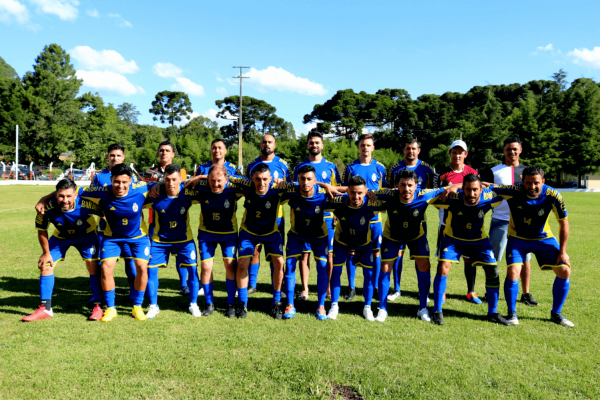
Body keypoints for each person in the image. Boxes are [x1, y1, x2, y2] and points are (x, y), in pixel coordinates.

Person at [489, 166, 573, 327]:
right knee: (513, 272)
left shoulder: (553, 195)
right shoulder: (513, 191)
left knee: (564, 270)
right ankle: (512, 313)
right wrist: (455, 186)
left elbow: (564, 224)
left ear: (543, 181)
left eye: (536, 183)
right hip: (518, 239)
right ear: (522, 182)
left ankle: (556, 313)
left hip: (544, 238)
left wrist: (563, 252)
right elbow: (487, 186)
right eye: (528, 183)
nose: (532, 187)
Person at [431, 174, 512, 326]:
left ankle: (493, 313)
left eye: (475, 190)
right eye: (467, 189)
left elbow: (507, 190)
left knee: (493, 270)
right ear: (463, 189)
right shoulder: (452, 196)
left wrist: (488, 184)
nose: (471, 194)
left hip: (478, 240)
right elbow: (429, 195)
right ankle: (437, 310)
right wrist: (453, 186)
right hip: (453, 238)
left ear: (481, 189)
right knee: (443, 267)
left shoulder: (489, 196)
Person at [78, 164, 155, 321]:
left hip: (138, 237)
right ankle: (111, 308)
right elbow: (72, 191)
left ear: (131, 181)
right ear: (111, 180)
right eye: (117, 182)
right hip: (112, 237)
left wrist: (158, 186)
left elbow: (166, 183)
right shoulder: (101, 192)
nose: (120, 186)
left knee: (141, 268)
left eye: (124, 182)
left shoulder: (142, 189)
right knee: (106, 268)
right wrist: (44, 200)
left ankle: (137, 307)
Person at [373, 169, 449, 322]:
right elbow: (361, 191)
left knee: (424, 265)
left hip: (416, 236)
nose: (406, 189)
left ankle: (422, 308)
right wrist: (369, 194)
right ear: (397, 185)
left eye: (409, 185)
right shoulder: (388, 194)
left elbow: (450, 187)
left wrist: (452, 187)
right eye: (402, 185)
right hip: (392, 235)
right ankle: (382, 308)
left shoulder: (424, 195)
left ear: (416, 186)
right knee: (386, 267)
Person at [24, 179, 103, 322]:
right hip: (61, 237)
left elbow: (106, 215)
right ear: (55, 195)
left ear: (75, 195)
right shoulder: (46, 208)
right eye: (61, 196)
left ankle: (98, 306)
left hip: (87, 236)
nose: (65, 200)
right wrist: (46, 253)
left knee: (93, 266)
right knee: (46, 265)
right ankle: (46, 308)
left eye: (68, 196)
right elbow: (42, 231)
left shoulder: (87, 203)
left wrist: (107, 241)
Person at [229, 164, 295, 319]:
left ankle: (276, 302)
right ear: (252, 178)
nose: (261, 183)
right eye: (258, 179)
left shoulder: (278, 188)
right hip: (249, 232)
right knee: (243, 263)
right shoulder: (247, 185)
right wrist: (198, 177)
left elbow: (303, 184)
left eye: (265, 179)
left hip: (271, 232)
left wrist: (325, 185)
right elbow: (225, 176)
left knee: (279, 262)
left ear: (271, 178)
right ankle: (242, 303)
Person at [480, 137, 539, 307]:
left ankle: (526, 294)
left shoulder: (528, 171)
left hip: (523, 222)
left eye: (515, 149)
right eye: (508, 149)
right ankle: (491, 290)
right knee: (493, 258)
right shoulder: (494, 171)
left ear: (520, 150)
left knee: (525, 258)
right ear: (503, 150)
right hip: (500, 220)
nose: (511, 152)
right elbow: (484, 189)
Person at [144, 164, 201, 318]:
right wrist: (157, 185)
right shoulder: (155, 193)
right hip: (159, 240)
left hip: (184, 240)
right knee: (151, 271)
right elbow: (136, 188)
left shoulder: (188, 191)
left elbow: (216, 179)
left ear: (180, 179)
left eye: (174, 179)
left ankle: (193, 304)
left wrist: (199, 177)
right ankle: (153, 305)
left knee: (193, 271)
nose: (171, 183)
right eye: (167, 180)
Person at [327, 176, 386, 321]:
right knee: (336, 272)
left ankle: (367, 307)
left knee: (369, 275)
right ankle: (334, 305)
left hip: (364, 244)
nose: (356, 196)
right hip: (342, 242)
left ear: (366, 192)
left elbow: (392, 199)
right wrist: (326, 185)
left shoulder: (372, 203)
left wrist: (376, 194)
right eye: (352, 192)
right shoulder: (338, 202)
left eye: (360, 193)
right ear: (347, 191)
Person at [385, 138, 435, 301]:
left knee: (419, 256)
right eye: (408, 148)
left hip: (418, 218)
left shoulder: (426, 168)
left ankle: (422, 292)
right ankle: (397, 288)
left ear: (418, 150)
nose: (411, 151)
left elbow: (431, 191)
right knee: (397, 254)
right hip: (398, 218)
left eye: (413, 148)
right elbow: (390, 190)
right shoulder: (394, 168)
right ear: (403, 150)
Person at [292, 131, 341, 301]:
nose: (314, 145)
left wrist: (336, 213)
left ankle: (327, 287)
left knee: (328, 255)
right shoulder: (300, 167)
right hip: (304, 215)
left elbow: (337, 191)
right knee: (304, 254)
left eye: (317, 143)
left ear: (322, 145)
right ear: (307, 145)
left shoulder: (331, 166)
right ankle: (305, 289)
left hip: (326, 216)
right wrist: (322, 184)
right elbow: (295, 188)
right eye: (311, 143)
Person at [283, 165, 334, 320]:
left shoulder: (323, 195)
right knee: (290, 265)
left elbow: (347, 190)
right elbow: (271, 184)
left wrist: (325, 185)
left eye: (309, 179)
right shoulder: (292, 193)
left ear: (315, 180)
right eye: (302, 179)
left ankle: (321, 305)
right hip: (296, 235)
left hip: (319, 236)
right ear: (297, 179)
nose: (305, 182)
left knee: (322, 267)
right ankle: (290, 305)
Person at [193, 165, 244, 318]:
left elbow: (250, 182)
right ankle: (209, 303)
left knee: (230, 266)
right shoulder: (202, 187)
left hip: (228, 234)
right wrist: (199, 178)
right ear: (207, 179)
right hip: (207, 234)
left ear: (226, 179)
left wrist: (234, 178)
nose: (215, 184)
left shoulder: (234, 188)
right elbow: (178, 183)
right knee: (206, 266)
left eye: (219, 181)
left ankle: (230, 304)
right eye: (212, 180)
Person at [435, 139, 481, 304]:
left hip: (469, 224)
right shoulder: (441, 173)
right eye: (454, 152)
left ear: (465, 154)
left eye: (460, 152)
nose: (457, 155)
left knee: (469, 259)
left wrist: (456, 186)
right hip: (446, 223)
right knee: (444, 260)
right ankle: (442, 292)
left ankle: (471, 291)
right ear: (450, 154)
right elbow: (436, 195)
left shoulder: (472, 172)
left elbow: (479, 188)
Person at [341, 134, 386, 301]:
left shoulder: (380, 168)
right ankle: (352, 287)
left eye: (368, 145)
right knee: (351, 252)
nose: (365, 148)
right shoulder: (350, 167)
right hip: (354, 218)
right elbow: (344, 190)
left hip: (374, 220)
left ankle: (374, 286)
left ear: (373, 147)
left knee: (375, 253)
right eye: (362, 145)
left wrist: (377, 195)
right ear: (358, 147)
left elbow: (385, 192)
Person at [92, 143, 139, 299]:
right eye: (112, 155)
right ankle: (99, 296)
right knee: (102, 264)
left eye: (118, 155)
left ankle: (134, 292)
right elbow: (93, 201)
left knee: (131, 263)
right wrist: (104, 216)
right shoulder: (99, 177)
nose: (115, 158)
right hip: (106, 229)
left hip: (128, 230)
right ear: (108, 157)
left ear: (123, 157)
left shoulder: (129, 175)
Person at [245, 135, 290, 295]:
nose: (267, 144)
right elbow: (247, 187)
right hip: (255, 215)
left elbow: (289, 188)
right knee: (254, 250)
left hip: (276, 216)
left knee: (275, 252)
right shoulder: (252, 165)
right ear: (260, 144)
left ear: (275, 145)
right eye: (264, 141)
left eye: (270, 142)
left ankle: (276, 285)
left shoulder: (283, 165)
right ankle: (251, 284)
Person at [144, 141, 190, 296]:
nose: (164, 153)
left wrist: (159, 183)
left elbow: (183, 185)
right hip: (156, 220)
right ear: (158, 153)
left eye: (167, 150)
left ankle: (183, 285)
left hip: (178, 218)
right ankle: (149, 287)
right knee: (153, 256)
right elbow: (145, 190)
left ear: (173, 154)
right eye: (161, 150)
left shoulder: (181, 171)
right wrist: (154, 186)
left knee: (180, 255)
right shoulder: (149, 172)